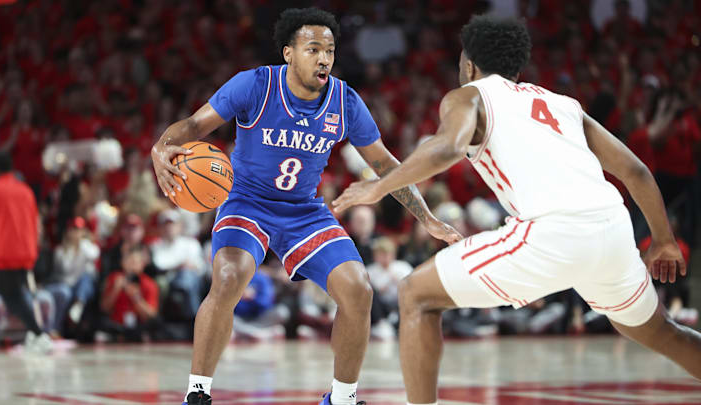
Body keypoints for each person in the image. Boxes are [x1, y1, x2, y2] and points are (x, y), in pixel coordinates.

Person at [332, 15, 700, 405]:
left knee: (416, 295)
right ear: (516, 68)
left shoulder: (469, 95)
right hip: (611, 228)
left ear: (469, 64)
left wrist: (380, 186)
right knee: (663, 331)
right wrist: (663, 240)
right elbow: (636, 170)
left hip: (553, 232)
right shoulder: (562, 104)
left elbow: (447, 149)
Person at [150, 8, 460, 405]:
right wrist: (160, 147)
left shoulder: (345, 101)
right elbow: (193, 127)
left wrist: (428, 218)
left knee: (358, 289)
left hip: (305, 211)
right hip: (247, 202)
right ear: (288, 54)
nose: (324, 58)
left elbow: (384, 164)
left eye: (330, 50)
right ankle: (198, 392)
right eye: (313, 48)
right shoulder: (255, 85)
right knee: (229, 278)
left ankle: (342, 398)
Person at [0, 152, 52, 353]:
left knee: (10, 296)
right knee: (18, 294)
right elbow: (33, 221)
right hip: (26, 250)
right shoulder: (26, 190)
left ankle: (38, 334)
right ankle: (34, 333)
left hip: (4, 252)